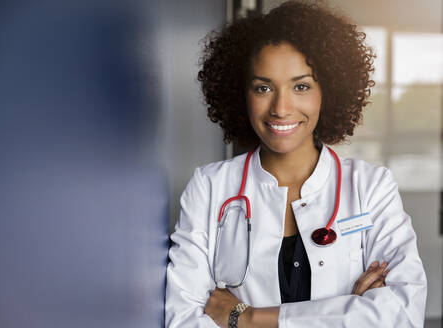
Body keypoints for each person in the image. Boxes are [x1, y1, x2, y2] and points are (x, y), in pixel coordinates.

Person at [165, 1, 427, 327]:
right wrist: (349, 312)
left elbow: (402, 314)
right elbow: (184, 321)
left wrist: (247, 318)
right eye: (263, 88)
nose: (281, 108)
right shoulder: (209, 188)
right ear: (241, 93)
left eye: (300, 86)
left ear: (326, 92)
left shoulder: (371, 187)